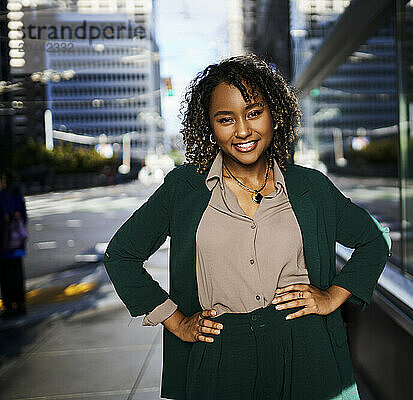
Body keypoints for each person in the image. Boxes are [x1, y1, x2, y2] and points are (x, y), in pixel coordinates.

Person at [104, 54, 391, 400]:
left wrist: (333, 297)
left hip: (306, 349)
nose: (242, 130)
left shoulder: (310, 188)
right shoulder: (184, 188)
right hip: (222, 354)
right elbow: (121, 255)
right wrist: (175, 320)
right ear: (209, 125)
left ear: (275, 114)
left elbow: (374, 240)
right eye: (226, 119)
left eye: (254, 113)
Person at [0, 169, 28, 319]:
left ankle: (10, 305)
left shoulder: (4, 195)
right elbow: (23, 217)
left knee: (5, 276)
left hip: (4, 244)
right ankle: (21, 303)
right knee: (17, 274)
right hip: (17, 243)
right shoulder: (18, 194)